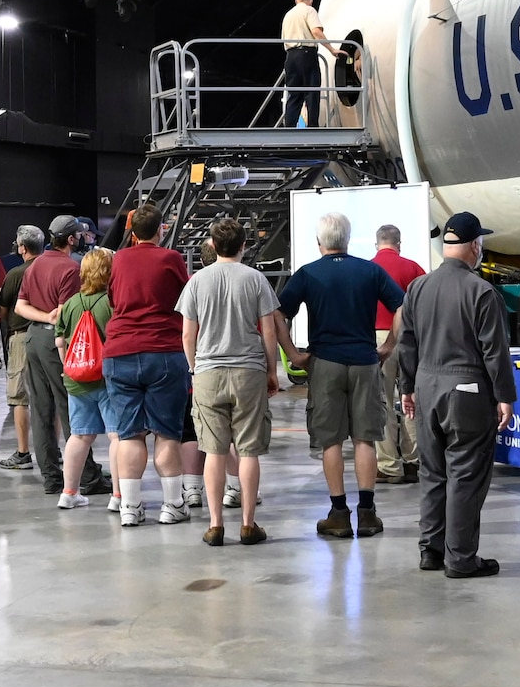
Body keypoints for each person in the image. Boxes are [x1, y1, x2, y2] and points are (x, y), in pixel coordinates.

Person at [396, 212, 516, 578]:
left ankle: (431, 550)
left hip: (428, 388)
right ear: (475, 246)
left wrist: (407, 388)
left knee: (433, 473)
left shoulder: (418, 287)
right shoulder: (482, 292)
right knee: (465, 473)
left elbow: (407, 343)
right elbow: (495, 351)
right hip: (467, 392)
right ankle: (461, 558)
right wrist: (505, 396)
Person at [278, 212, 404, 538]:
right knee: (365, 437)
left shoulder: (308, 274)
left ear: (320, 242)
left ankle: (338, 513)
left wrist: (293, 354)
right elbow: (403, 307)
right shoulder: (370, 270)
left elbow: (278, 313)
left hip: (325, 362)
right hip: (364, 361)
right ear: (347, 240)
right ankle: (367, 513)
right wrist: (389, 345)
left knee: (330, 439)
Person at [180, 218, 283, 545]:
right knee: (248, 449)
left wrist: (194, 367)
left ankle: (215, 525)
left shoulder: (197, 281)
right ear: (244, 246)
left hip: (209, 372)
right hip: (248, 372)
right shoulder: (256, 279)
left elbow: (187, 334)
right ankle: (249, 524)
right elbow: (269, 331)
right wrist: (270, 370)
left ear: (211, 245)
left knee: (214, 450)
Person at [102, 206, 193, 527]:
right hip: (164, 351)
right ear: (161, 230)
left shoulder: (119, 259)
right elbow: (186, 300)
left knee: (129, 435)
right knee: (167, 432)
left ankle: (130, 506)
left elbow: (113, 300)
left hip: (120, 351)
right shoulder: (171, 259)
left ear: (133, 232)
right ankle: (172, 504)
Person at [16, 216, 105, 494]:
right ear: (71, 239)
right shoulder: (71, 268)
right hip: (58, 343)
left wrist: (43, 316)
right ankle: (88, 477)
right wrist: (54, 320)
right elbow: (68, 313)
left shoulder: (36, 264)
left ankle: (51, 477)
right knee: (71, 409)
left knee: (42, 410)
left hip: (33, 338)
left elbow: (20, 306)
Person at [53, 248, 116, 511]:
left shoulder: (70, 304)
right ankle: (120, 497)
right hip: (107, 378)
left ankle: (69, 493)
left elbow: (60, 340)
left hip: (77, 378)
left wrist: (68, 364)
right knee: (118, 437)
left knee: (79, 436)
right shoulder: (111, 303)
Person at [371, 224, 427, 486]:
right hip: (408, 340)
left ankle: (389, 466)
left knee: (382, 403)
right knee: (410, 400)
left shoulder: (368, 268)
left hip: (377, 340)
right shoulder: (414, 268)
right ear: (399, 243)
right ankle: (414, 462)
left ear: (377, 243)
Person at [0, 226, 43, 472]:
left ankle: (23, 452)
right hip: (50, 336)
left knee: (19, 398)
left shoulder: (16, 274)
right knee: (49, 396)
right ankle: (51, 451)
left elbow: (2, 311)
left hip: (21, 338)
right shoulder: (54, 268)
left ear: (22, 247)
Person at [279, 0, 334, 128]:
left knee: (294, 94)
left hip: (290, 56)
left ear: (296, 0)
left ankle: (289, 128)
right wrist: (332, 49)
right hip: (306, 54)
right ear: (310, 0)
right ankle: (313, 127)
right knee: (312, 92)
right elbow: (316, 31)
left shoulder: (288, 15)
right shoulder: (309, 11)